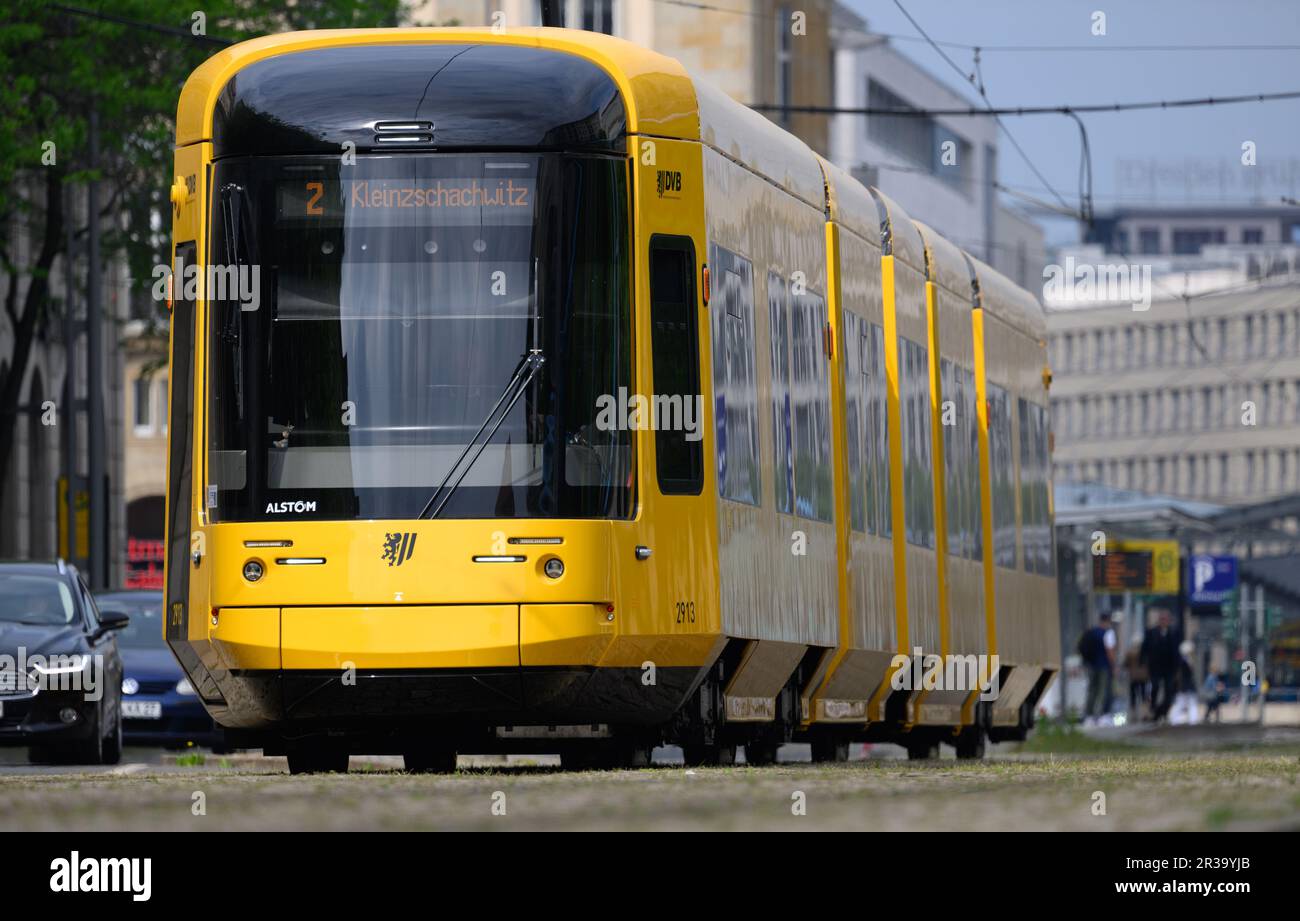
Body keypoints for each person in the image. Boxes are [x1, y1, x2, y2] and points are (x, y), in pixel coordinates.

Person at [1140, 607, 1182, 721]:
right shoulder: (1151, 633)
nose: (1163, 621)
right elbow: (1144, 648)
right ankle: (1153, 708)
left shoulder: (1174, 633)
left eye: (1165, 619)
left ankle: (1163, 711)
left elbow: (1176, 651)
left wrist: (1177, 667)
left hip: (1169, 667)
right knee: (1155, 686)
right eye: (1161, 619)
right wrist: (1143, 662)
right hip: (1155, 666)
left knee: (1169, 689)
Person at [1079, 612, 1117, 723]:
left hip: (1091, 665)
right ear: (1108, 621)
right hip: (1104, 666)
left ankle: (1088, 715)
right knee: (1103, 690)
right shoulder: (1108, 633)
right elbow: (1110, 651)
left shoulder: (1091, 632)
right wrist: (1113, 666)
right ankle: (1101, 715)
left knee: (1092, 690)